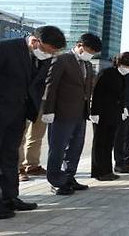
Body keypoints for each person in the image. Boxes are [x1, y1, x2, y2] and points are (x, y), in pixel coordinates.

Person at [0, 25, 66, 219]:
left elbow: (36, 85)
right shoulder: (3, 48)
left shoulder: (43, 57)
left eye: (53, 53)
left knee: (10, 157)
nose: (49, 55)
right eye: (47, 50)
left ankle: (9, 197)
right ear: (35, 41)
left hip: (16, 115)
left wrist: (33, 109)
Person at [43, 33, 101, 195]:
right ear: (80, 45)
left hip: (80, 113)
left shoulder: (88, 65)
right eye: (90, 50)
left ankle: (69, 177)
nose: (91, 54)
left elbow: (88, 89)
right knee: (58, 148)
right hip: (61, 112)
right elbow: (51, 85)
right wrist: (48, 110)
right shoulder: (62, 60)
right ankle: (55, 180)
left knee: (76, 147)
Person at [91, 52, 129, 180]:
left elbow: (121, 96)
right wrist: (94, 112)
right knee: (100, 143)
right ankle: (99, 172)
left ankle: (107, 170)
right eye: (127, 66)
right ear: (119, 63)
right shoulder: (107, 73)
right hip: (102, 113)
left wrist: (123, 109)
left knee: (109, 143)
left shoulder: (121, 76)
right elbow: (97, 93)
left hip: (114, 114)